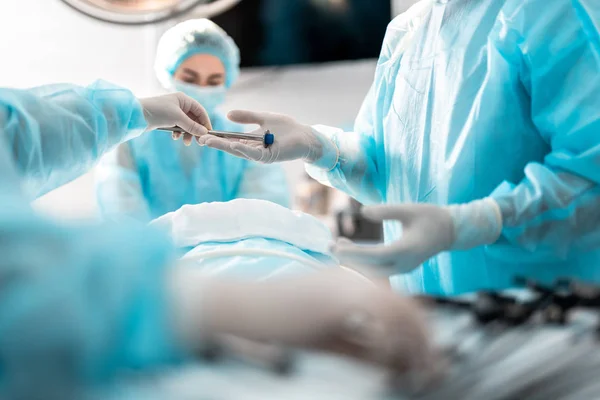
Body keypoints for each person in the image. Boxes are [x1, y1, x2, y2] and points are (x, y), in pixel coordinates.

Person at [0, 81, 434, 398]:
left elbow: (15, 132)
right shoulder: (137, 195)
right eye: (192, 75)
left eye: (211, 78)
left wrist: (136, 111)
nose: (202, 88)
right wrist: (205, 303)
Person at [198, 0, 600, 295]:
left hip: (542, 316)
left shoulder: (548, 11)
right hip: (433, 315)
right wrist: (314, 144)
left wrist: (473, 222)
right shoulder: (409, 31)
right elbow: (384, 167)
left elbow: (590, 174)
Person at [96, 19, 289, 223]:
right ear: (168, 74)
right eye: (190, 79)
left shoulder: (248, 143)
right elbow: (121, 216)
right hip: (150, 253)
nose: (201, 89)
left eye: (213, 82)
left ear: (228, 82)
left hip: (228, 254)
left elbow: (264, 217)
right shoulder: (132, 139)